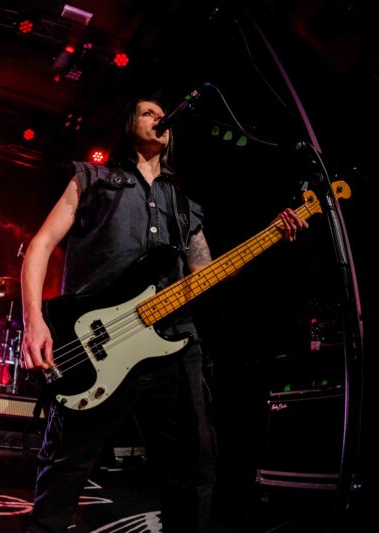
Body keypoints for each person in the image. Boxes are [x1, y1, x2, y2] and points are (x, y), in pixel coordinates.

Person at [20, 97, 308, 532]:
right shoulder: (93, 179)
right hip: (98, 343)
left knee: (195, 468)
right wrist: (34, 320)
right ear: (127, 124)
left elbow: (205, 274)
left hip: (173, 343)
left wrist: (269, 238)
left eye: (163, 115)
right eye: (148, 113)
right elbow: (41, 244)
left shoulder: (184, 204)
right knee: (66, 467)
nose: (160, 118)